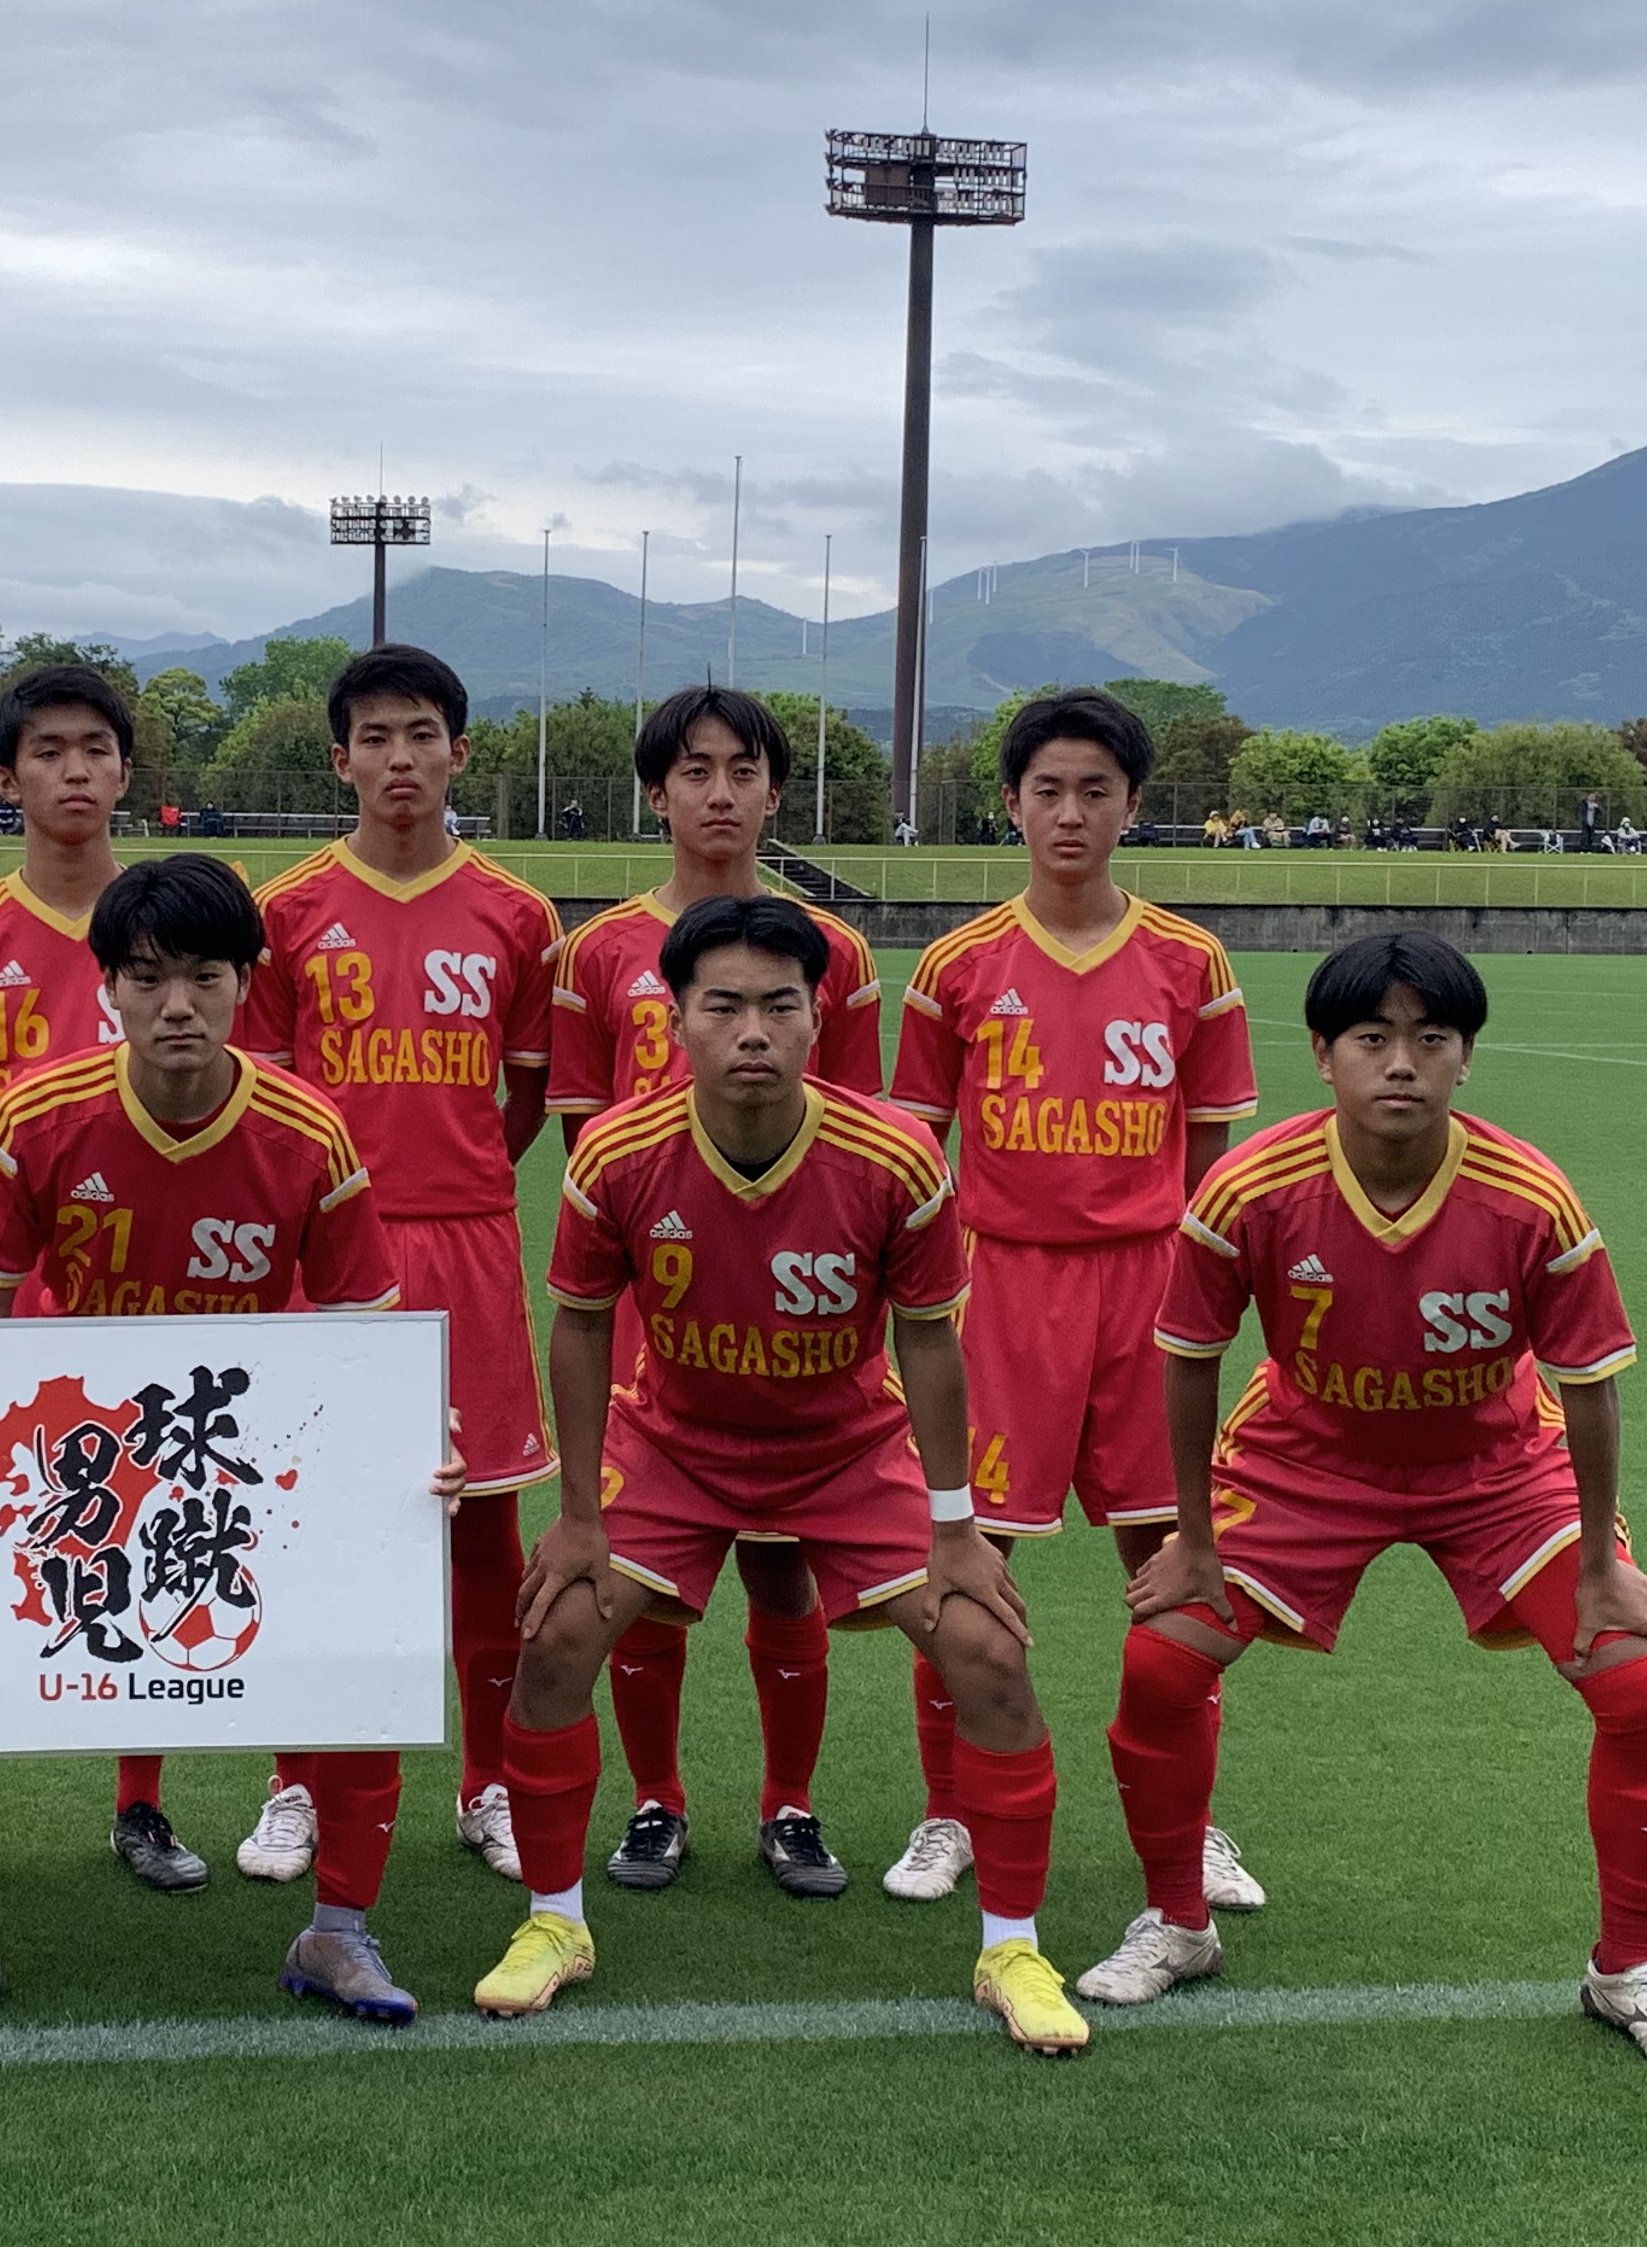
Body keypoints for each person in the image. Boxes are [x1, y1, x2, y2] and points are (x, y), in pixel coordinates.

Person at [1089, 931, 1647, 2076]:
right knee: (1163, 1663)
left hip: (1496, 1466)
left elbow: (1588, 1385)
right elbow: (1187, 1356)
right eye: (1371, 1037)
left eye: (1431, 1039)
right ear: (1321, 1053)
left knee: (1642, 1685)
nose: (1401, 1062)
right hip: (1306, 1458)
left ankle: (1627, 1969)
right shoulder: (1251, 1187)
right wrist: (1193, 1538)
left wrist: (1599, 1566)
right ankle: (1178, 1924)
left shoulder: (1529, 1197)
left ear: (1465, 1058)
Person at [482, 898, 1084, 2052]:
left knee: (990, 1651)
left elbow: (929, 1341)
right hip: (674, 1444)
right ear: (675, 1021)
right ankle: (554, 1922)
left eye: (779, 1006)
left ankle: (1012, 1946)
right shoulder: (615, 1153)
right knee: (555, 1632)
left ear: (819, 1019)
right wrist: (578, 1514)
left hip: (846, 1450)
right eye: (723, 1006)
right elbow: (581, 1324)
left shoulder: (894, 1156)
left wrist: (955, 1527)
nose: (752, 1031)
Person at [0, 854, 448, 2040]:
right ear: (107, 986)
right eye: (146, 979)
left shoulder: (307, 1129)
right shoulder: (36, 1116)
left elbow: (366, 1329)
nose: (178, 1006)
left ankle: (338, 1935)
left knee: (368, 1654)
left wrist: (414, 1437)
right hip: (76, 1461)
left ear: (248, 981)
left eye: (205, 975)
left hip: (239, 1462)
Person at [888, 690, 1266, 1914]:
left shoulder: (1191, 963)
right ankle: (949, 1808)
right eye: (1047, 790)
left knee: (1174, 1558)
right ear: (1011, 804)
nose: (1069, 813)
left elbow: (1209, 1159)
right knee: (966, 1551)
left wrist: (1194, 1299)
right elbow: (916, 1153)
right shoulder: (956, 966)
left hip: (1145, 1294)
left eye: (1094, 791)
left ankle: (1190, 1826)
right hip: (1001, 1290)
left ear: (1131, 806)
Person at [547, 685, 886, 1897]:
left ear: (776, 791)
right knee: (646, 1574)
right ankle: (658, 1800)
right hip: (660, 1297)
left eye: (744, 770)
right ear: (657, 794)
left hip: (797, 1306)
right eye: (695, 771)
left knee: (783, 1563)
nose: (721, 793)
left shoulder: (833, 952)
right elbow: (586, 1146)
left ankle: (791, 1805)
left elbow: (858, 1139)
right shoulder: (596, 953)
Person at [243, 644, 565, 1884]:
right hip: (325, 1252)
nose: (399, 758)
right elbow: (268, 1100)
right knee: (302, 1521)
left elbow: (521, 1102)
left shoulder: (519, 915)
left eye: (421, 734)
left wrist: (451, 1173)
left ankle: (488, 1781)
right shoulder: (285, 913)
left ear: (459, 752)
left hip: (467, 1240)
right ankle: (296, 1783)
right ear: (340, 761)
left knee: (483, 1531)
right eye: (374, 738)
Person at [0, 664, 199, 1891]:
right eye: (48, 751)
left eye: (95, 750)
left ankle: (142, 1802)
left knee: (155, 1540)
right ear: (6, 778)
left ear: (126, 771)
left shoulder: (175, 927)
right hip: (4, 1281)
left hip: (150, 1280)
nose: (74, 771)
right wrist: (12, 1218)